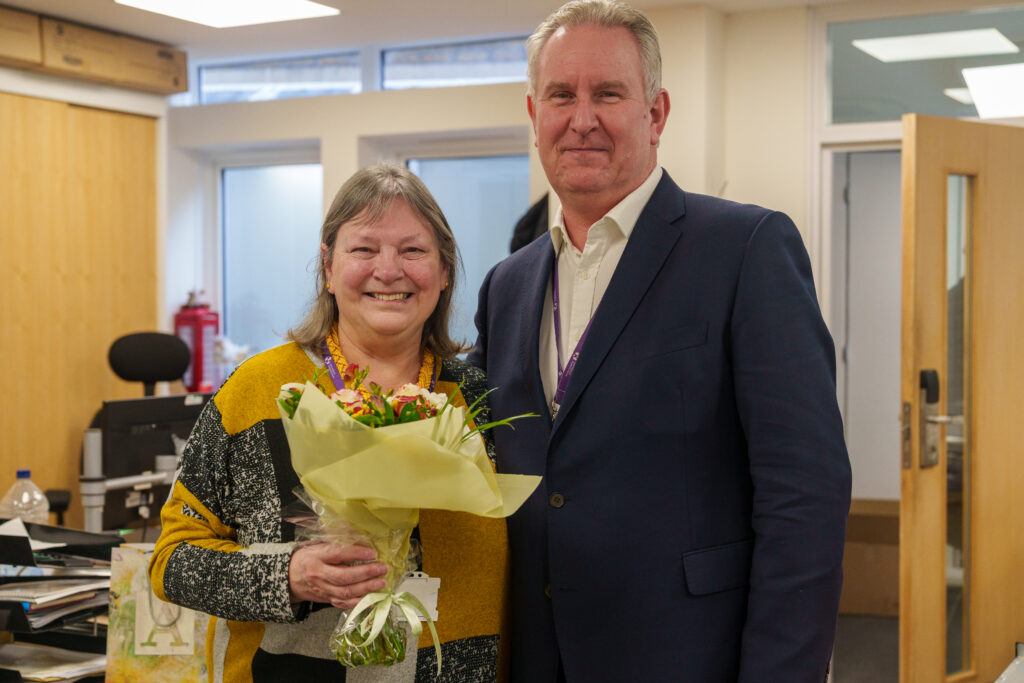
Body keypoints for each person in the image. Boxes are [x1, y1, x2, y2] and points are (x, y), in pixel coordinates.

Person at [468, 1, 851, 681]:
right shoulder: (507, 286)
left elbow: (804, 499)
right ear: (534, 116)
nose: (581, 118)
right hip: (537, 657)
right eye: (561, 95)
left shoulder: (745, 250)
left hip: (690, 657)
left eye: (608, 93)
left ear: (656, 113)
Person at [150, 163, 509, 682]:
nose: (389, 270)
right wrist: (287, 577)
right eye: (364, 249)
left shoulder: (479, 401)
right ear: (328, 266)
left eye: (413, 250)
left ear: (445, 268)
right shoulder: (257, 393)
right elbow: (171, 562)